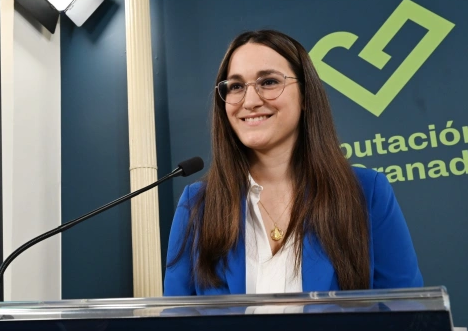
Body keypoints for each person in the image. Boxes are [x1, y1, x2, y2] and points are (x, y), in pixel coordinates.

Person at [164, 30, 423, 296]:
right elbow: (178, 316)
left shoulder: (367, 192)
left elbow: (406, 307)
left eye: (268, 82)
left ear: (306, 96)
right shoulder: (197, 205)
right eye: (236, 86)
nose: (250, 101)